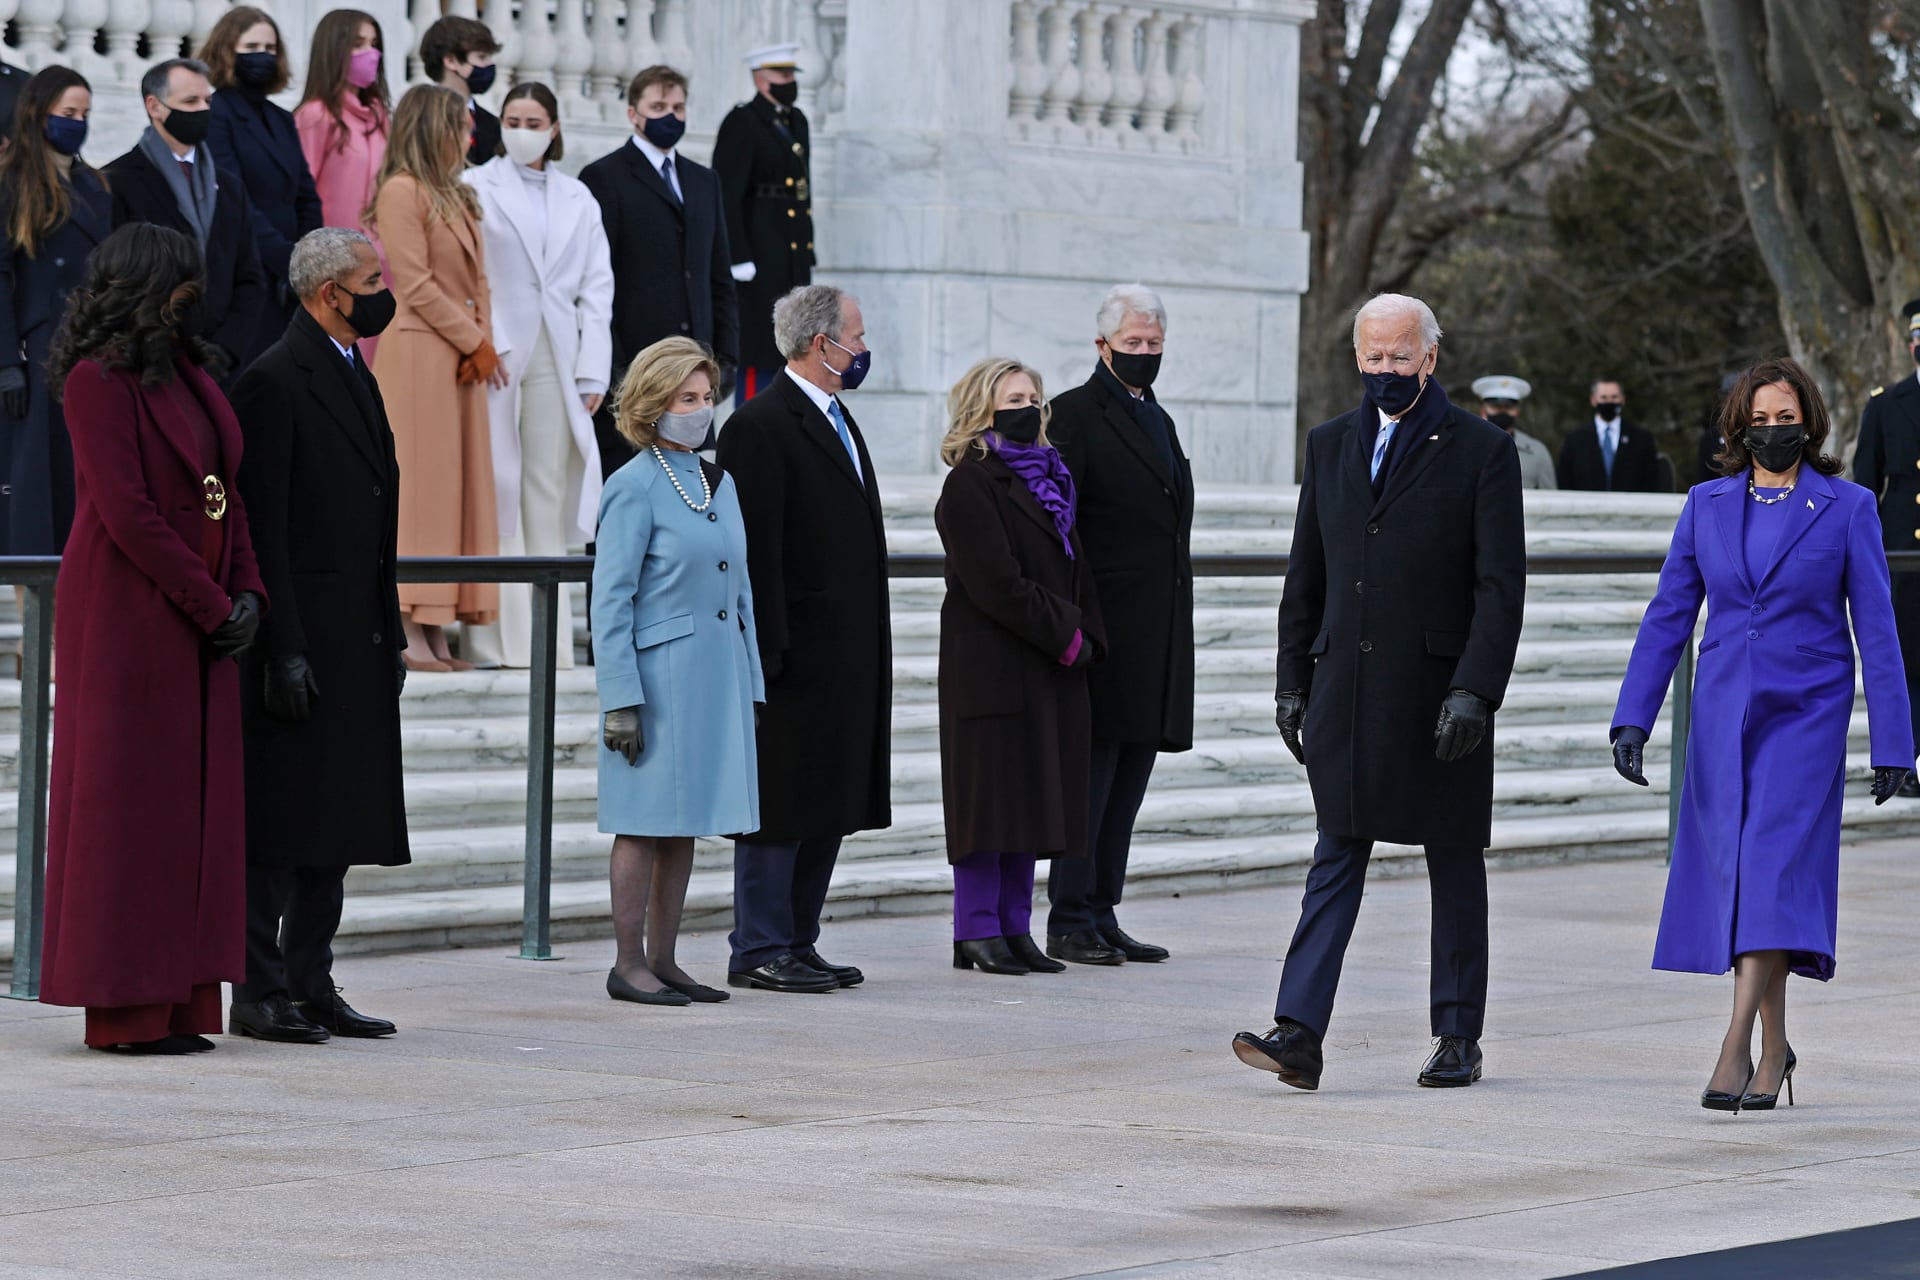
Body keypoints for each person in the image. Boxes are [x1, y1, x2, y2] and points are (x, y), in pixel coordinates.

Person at [1233, 292, 1525, 1092]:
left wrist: (1475, 689)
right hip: (1347, 690)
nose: (1386, 371)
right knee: (1336, 851)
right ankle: (1299, 1030)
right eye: (1373, 357)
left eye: (1400, 357)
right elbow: (1307, 573)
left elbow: (1501, 587)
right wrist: (1292, 679)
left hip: (1440, 696)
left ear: (1431, 357)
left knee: (1454, 860)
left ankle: (1458, 1034)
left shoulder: (1480, 449)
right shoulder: (1330, 444)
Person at [1612, 356, 1913, 1113]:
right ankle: (1777, 1052)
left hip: (1805, 717)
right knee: (1746, 879)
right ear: (1736, 425)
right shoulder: (1705, 504)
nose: (1773, 431)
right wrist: (1633, 715)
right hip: (1721, 717)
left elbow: (1877, 629)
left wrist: (1894, 744)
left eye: (1787, 419)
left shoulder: (1846, 508)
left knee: (1772, 870)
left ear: (1808, 423)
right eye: (1761, 419)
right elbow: (1669, 614)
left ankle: (1735, 1044)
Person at [38, 223, 265, 1053]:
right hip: (129, 617)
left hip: (198, 611)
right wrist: (211, 602)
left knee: (194, 813)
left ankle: (185, 1000)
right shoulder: (96, 381)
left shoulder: (193, 372)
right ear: (146, 284)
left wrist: (248, 589)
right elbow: (126, 510)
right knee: (132, 810)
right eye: (180, 285)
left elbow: (224, 493)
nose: (190, 300)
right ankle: (128, 1010)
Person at [226, 227, 407, 1044]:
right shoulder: (272, 380)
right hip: (300, 640)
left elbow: (373, 516)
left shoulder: (351, 370)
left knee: (333, 823)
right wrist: (283, 647)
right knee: (280, 826)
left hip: (357, 636)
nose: (384, 288)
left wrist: (390, 626)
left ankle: (312, 980)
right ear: (329, 292)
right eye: (372, 278)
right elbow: (262, 527)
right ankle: (259, 989)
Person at [715, 284, 888, 994]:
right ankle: (759, 945)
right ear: (823, 344)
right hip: (791, 652)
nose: (864, 346)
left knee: (829, 798)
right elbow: (755, 552)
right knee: (780, 804)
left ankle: (799, 937)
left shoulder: (838, 416)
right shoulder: (760, 424)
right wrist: (769, 652)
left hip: (846, 650)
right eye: (857, 334)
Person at [592, 337, 763, 1007]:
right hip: (658, 680)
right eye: (684, 399)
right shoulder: (632, 486)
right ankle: (626, 962)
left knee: (684, 820)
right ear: (651, 405)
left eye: (705, 397)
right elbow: (610, 601)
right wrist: (620, 699)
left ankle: (664, 958)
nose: (700, 410)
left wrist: (748, 684)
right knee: (643, 819)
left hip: (712, 679)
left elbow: (740, 591)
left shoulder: (716, 482)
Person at [936, 358, 1104, 976]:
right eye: (1014, 398)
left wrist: (1089, 634)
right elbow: (997, 584)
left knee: (1031, 802)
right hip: (993, 668)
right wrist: (1065, 634)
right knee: (989, 804)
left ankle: (1015, 927)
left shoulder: (1052, 477)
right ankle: (976, 930)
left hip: (1043, 668)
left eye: (1034, 396)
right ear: (984, 407)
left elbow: (1075, 568)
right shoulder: (971, 484)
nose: (1029, 407)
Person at [1043, 283, 1193, 967]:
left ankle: (1103, 908)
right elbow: (1058, 526)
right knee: (1092, 778)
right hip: (1103, 627)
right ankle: (1070, 914)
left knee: (1129, 775)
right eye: (1132, 344)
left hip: (1153, 633)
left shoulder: (1156, 417)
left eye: (1153, 345)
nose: (1143, 355)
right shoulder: (1073, 415)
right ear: (1102, 347)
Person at [463, 82, 613, 670]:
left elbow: (597, 288)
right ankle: (493, 636)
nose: (522, 128)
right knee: (499, 484)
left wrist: (591, 367)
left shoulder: (578, 196)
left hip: (559, 350)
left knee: (546, 487)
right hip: (494, 351)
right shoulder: (474, 187)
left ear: (554, 128)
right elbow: (469, 272)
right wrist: (487, 340)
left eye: (533, 119)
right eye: (512, 118)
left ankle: (545, 642)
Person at [370, 84, 501, 671]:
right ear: (433, 128)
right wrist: (475, 341)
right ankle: (407, 625)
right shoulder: (402, 190)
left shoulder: (458, 194)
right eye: (461, 125)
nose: (469, 136)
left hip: (459, 358)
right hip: (422, 354)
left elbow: (479, 284)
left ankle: (438, 624)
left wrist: (484, 344)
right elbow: (414, 283)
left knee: (457, 494)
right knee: (421, 494)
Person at [580, 65, 739, 479]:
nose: (670, 115)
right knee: (625, 484)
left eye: (678, 106)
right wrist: (613, 367)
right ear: (634, 113)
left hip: (695, 369)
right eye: (658, 106)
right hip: (633, 369)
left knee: (689, 484)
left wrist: (726, 358)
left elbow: (718, 277)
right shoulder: (603, 177)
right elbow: (597, 279)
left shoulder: (705, 181)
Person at [0, 66, 109, 564]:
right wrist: (6, 361)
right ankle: (37, 624)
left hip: (96, 348)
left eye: (85, 113)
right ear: (39, 113)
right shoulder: (13, 184)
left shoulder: (96, 184)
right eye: (68, 113)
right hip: (38, 353)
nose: (78, 123)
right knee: (36, 494)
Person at [105, 58, 271, 377]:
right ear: (154, 106)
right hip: (151, 361)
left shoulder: (231, 187)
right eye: (190, 101)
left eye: (207, 101)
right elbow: (115, 280)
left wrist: (227, 348)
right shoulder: (117, 180)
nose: (202, 110)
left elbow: (250, 277)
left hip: (221, 364)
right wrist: (155, 344)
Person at [202, 6, 324, 334]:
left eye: (270, 49)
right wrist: (285, 258)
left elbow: (306, 195)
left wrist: (309, 256)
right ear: (228, 50)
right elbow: (233, 196)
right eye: (252, 49)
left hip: (291, 279)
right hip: (248, 272)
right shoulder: (216, 114)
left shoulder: (282, 119)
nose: (264, 57)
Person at [712, 43, 813, 407]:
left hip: (789, 254)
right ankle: (752, 419)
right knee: (759, 348)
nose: (789, 82)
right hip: (758, 252)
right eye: (781, 76)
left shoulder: (796, 120)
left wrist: (807, 250)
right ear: (760, 78)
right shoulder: (743, 121)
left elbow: (803, 191)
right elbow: (727, 193)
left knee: (791, 342)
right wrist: (737, 255)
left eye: (790, 75)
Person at [1852, 300, 1920, 798]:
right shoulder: (1886, 404)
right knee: (1910, 659)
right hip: (1905, 553)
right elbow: (1865, 484)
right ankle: (1909, 760)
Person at [294, 9, 390, 243]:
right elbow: (301, 194)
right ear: (334, 50)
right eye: (358, 44)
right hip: (334, 254)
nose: (371, 53)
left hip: (381, 254)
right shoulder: (315, 115)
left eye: (374, 44)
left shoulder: (380, 116)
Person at [420, 16, 501, 167]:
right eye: (482, 57)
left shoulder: (492, 124)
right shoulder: (420, 117)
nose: (490, 65)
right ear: (450, 61)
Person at [1557, 377, 1661, 491]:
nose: (1609, 402)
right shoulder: (1575, 440)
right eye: (1604, 397)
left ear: (1622, 399)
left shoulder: (1641, 439)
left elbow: (1652, 481)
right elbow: (1565, 481)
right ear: (1593, 400)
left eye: (1614, 397)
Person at [1471, 374, 1555, 490]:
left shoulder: (1536, 452)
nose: (1502, 412)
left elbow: (1551, 499)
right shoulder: (1467, 446)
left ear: (1517, 411)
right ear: (1483, 410)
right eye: (1496, 406)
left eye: (1508, 407)